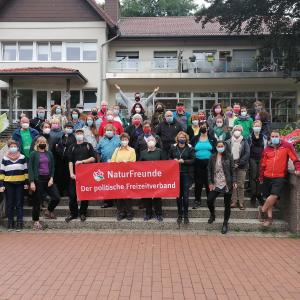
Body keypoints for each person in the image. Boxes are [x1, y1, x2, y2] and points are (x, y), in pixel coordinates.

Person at [258, 130, 300, 226]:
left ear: (280, 136)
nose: (274, 138)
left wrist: (298, 168)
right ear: (270, 138)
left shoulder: (287, 146)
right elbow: (262, 164)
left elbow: (295, 159)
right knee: (269, 197)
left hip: (279, 176)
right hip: (267, 176)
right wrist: (261, 176)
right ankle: (269, 218)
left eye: (276, 136)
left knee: (274, 195)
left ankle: (262, 209)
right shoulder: (267, 149)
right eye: (272, 136)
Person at [28, 137, 61, 230]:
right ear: (37, 143)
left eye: (44, 142)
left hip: (48, 179)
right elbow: (30, 169)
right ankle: (36, 221)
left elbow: (53, 167)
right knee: (37, 202)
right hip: (38, 180)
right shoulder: (33, 154)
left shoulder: (49, 153)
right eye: (40, 142)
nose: (42, 143)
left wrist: (51, 178)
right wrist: (32, 182)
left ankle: (49, 211)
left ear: (46, 144)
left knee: (56, 197)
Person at [65, 128, 96, 223]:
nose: (79, 135)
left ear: (83, 135)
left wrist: (82, 161)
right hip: (74, 175)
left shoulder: (88, 145)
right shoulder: (72, 147)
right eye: (78, 133)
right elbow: (70, 161)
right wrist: (71, 173)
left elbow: (93, 158)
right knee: (72, 195)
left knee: (84, 195)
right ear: (75, 135)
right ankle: (73, 213)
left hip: (85, 175)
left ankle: (83, 213)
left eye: (81, 133)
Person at [207, 140, 237, 234]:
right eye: (218, 146)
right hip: (216, 182)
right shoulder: (212, 157)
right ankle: (212, 214)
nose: (220, 147)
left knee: (227, 205)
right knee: (209, 200)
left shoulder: (229, 156)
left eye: (222, 146)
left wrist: (234, 181)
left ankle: (225, 223)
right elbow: (209, 170)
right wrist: (210, 182)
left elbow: (233, 169)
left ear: (224, 146)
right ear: (216, 147)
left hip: (227, 183)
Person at [0, 140, 28, 231]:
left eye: (14, 146)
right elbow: (2, 172)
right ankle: (10, 222)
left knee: (19, 204)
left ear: (18, 147)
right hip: (8, 184)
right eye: (11, 146)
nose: (13, 147)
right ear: (9, 147)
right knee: (10, 204)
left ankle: (19, 222)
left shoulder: (22, 157)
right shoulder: (5, 158)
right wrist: (1, 184)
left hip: (20, 184)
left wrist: (26, 183)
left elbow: (26, 171)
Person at [169, 131, 195, 225]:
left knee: (186, 196)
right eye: (180, 137)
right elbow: (168, 158)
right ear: (177, 138)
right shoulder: (173, 147)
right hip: (176, 174)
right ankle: (180, 214)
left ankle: (186, 215)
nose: (182, 138)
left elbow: (193, 160)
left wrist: (184, 161)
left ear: (186, 138)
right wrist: (173, 160)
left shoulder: (190, 148)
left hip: (186, 174)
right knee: (178, 196)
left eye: (183, 137)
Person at [111, 133, 136, 221]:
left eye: (125, 139)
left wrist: (127, 163)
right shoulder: (117, 150)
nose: (124, 141)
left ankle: (129, 212)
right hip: (118, 175)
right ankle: (121, 213)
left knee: (127, 194)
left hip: (128, 175)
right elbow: (112, 161)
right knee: (119, 195)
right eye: (122, 139)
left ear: (128, 140)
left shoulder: (132, 150)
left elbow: (133, 162)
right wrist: (118, 164)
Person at [191, 122, 215, 208]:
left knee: (208, 182)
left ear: (208, 128)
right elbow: (191, 150)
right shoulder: (194, 139)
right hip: (197, 163)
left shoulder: (212, 139)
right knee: (198, 183)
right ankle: (197, 200)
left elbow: (215, 151)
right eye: (202, 126)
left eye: (205, 126)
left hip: (209, 163)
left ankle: (210, 201)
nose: (203, 128)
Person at [139, 136, 164, 221]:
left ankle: (159, 213)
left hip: (157, 178)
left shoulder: (159, 152)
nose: (150, 142)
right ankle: (148, 213)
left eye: (152, 140)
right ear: (146, 143)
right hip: (146, 179)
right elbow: (138, 165)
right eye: (149, 140)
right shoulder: (143, 153)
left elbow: (165, 164)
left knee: (157, 197)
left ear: (155, 142)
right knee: (147, 197)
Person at [226, 125, 250, 210]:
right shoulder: (228, 141)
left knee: (240, 184)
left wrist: (239, 163)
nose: (237, 131)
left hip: (242, 166)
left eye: (239, 130)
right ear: (233, 131)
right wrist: (232, 163)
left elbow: (247, 153)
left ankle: (241, 202)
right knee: (233, 184)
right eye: (236, 129)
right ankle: (234, 201)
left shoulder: (244, 141)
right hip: (231, 165)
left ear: (242, 131)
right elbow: (227, 154)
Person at [97, 124, 121, 208]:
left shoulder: (118, 139)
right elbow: (98, 151)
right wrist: (99, 162)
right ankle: (107, 201)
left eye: (110, 130)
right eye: (107, 130)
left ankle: (117, 201)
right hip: (105, 164)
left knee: (116, 183)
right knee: (106, 183)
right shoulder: (102, 140)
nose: (109, 131)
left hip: (116, 165)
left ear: (114, 131)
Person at [55, 122, 76, 196]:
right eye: (67, 128)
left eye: (70, 128)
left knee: (69, 177)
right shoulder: (62, 137)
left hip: (69, 160)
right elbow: (58, 146)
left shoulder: (74, 138)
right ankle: (61, 191)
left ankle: (69, 192)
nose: (69, 129)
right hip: (61, 160)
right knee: (61, 176)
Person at [249, 120, 267, 207]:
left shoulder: (264, 137)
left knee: (260, 177)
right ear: (253, 127)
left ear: (260, 127)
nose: (257, 127)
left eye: (258, 126)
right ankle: (253, 195)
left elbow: (266, 148)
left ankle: (259, 195)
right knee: (253, 176)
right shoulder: (249, 137)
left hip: (261, 158)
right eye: (255, 126)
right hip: (252, 158)